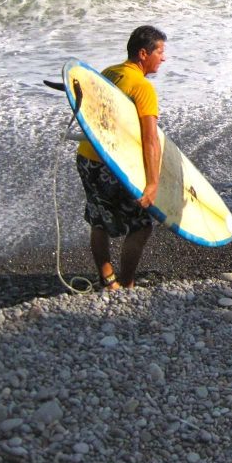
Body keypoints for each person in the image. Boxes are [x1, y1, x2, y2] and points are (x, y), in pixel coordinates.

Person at [76, 25, 167, 290]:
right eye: (159, 52)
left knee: (98, 219)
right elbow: (150, 139)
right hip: (112, 164)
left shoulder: (109, 73)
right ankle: (126, 284)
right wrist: (152, 184)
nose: (163, 58)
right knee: (140, 226)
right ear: (143, 53)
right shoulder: (142, 87)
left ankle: (107, 279)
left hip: (87, 157)